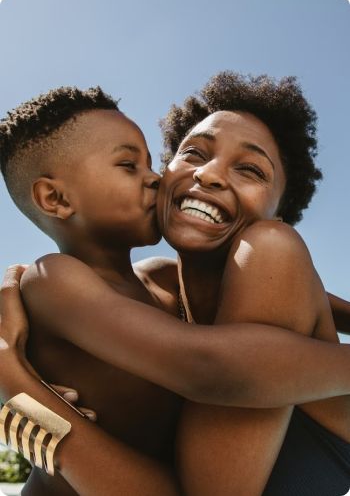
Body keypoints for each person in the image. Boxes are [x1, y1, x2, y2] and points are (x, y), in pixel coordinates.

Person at [1, 75, 350, 495]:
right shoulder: (62, 278)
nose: (208, 174)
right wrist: (20, 396)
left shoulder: (205, 269)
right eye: (192, 153)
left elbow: (315, 304)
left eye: (250, 169)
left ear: (278, 210)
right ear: (55, 200)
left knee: (274, 250)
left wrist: (16, 392)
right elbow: (206, 369)